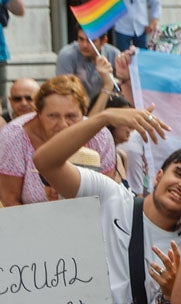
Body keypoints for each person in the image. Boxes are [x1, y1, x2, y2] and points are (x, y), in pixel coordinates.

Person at [31, 107, 181, 304]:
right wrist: (104, 118)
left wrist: (171, 296)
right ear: (158, 176)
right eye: (180, 174)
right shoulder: (110, 195)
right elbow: (45, 162)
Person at [0, 75, 116, 206]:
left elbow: (107, 195)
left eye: (71, 116)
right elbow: (10, 198)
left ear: (83, 113)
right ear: (38, 113)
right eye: (53, 116)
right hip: (31, 221)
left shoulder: (100, 135)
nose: (63, 124)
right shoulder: (14, 136)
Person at [53, 30, 119, 101]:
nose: (84, 45)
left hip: (108, 105)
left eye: (91, 41)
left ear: (104, 41)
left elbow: (122, 88)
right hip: (77, 105)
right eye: (81, 39)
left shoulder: (114, 54)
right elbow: (64, 92)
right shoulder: (67, 55)